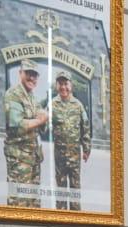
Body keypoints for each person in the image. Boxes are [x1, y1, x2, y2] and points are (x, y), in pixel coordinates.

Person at [3, 59, 48, 208]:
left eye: (35, 75)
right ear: (20, 73)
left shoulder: (33, 98)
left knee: (34, 203)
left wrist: (43, 120)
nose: (32, 78)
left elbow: (42, 126)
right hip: (19, 159)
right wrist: (40, 120)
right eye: (28, 73)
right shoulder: (13, 94)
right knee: (19, 203)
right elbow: (17, 126)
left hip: (33, 158)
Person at [46, 71, 91, 210]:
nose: (63, 87)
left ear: (71, 85)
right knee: (60, 190)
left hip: (74, 156)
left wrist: (86, 149)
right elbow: (44, 124)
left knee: (75, 190)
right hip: (59, 156)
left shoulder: (78, 105)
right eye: (60, 84)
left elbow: (85, 127)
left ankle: (75, 216)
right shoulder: (52, 104)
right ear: (56, 85)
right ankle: (61, 216)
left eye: (66, 83)